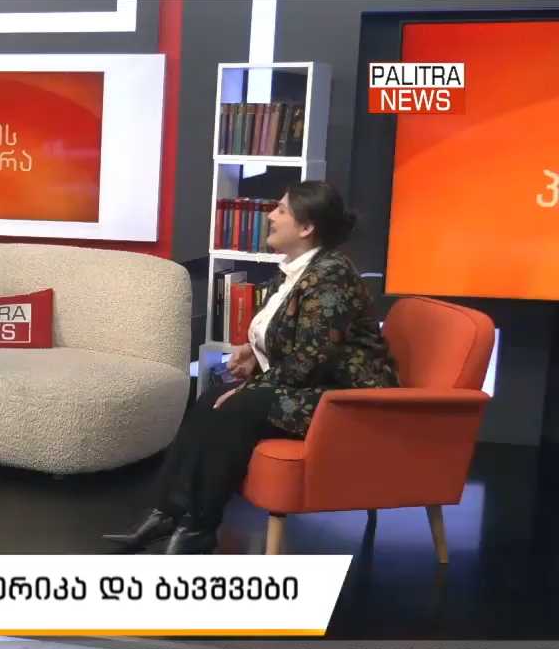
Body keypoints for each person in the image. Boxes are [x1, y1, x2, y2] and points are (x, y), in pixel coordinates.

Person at [104, 180, 400, 554]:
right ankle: (166, 513)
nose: (270, 216)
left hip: (347, 400)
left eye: (281, 210)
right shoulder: (294, 270)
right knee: (212, 396)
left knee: (239, 404)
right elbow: (288, 340)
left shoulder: (332, 275)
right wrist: (252, 354)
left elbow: (312, 359)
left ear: (306, 227)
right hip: (314, 386)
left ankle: (198, 528)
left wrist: (253, 385)